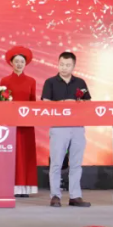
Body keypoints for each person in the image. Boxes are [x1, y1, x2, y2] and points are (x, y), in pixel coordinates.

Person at [41, 51, 92, 208]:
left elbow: (88, 103)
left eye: (68, 65)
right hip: (58, 127)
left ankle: (75, 196)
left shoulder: (80, 82)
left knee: (76, 163)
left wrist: (78, 104)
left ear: (74, 66)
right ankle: (55, 196)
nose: (64, 68)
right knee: (56, 163)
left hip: (77, 127)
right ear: (58, 64)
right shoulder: (50, 82)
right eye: (61, 64)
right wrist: (64, 103)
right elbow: (45, 103)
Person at [0, 46, 39, 198]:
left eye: (22, 61)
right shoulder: (5, 81)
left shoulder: (31, 81)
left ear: (25, 63)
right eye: (16, 61)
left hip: (26, 123)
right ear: (11, 63)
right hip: (10, 123)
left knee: (26, 154)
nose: (19, 64)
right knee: (11, 153)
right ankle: (9, 186)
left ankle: (25, 188)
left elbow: (33, 102)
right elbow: (1, 102)